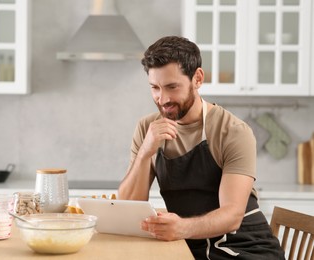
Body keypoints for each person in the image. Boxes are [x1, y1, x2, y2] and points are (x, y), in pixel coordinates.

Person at [118, 36, 285, 259]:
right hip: (191, 247)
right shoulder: (147, 128)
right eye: (155, 88)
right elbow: (126, 206)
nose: (163, 98)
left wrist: (181, 228)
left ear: (197, 78)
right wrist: (145, 152)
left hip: (246, 247)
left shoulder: (233, 131)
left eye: (172, 87)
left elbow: (232, 215)